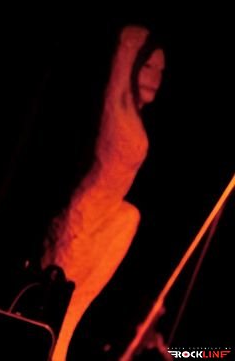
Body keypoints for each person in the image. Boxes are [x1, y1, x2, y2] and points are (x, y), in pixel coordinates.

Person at [40, 25, 166, 361]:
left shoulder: (132, 115)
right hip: (84, 217)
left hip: (109, 219)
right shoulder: (118, 109)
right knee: (55, 310)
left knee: (130, 215)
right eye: (148, 66)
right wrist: (128, 45)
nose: (156, 78)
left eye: (161, 71)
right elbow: (124, 57)